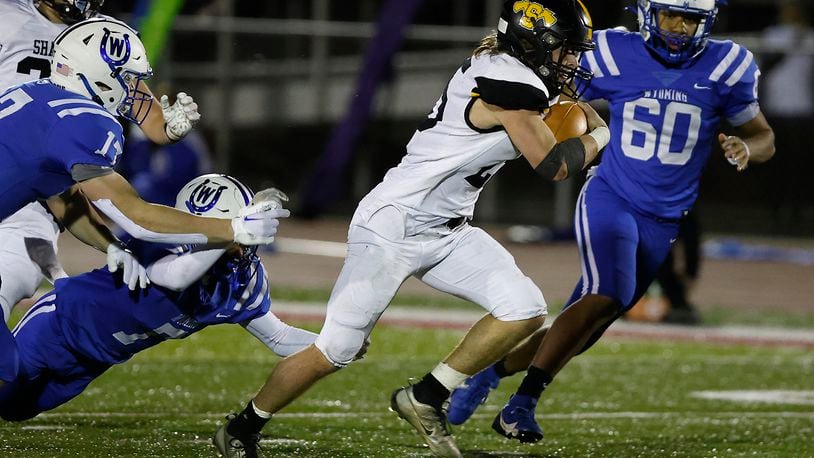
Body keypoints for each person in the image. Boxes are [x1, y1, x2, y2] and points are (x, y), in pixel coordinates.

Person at [212, 1, 609, 457]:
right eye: (566, 51)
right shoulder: (507, 81)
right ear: (534, 42)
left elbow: (570, 117)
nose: (573, 63)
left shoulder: (519, 73)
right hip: (392, 226)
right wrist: (602, 135)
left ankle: (427, 396)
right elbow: (555, 165)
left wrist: (588, 124)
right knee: (337, 350)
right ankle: (242, 427)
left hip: (448, 231)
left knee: (524, 307)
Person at [445, 0, 776, 443]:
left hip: (665, 217)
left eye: (690, 19)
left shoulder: (729, 64)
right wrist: (573, 124)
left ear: (707, 22)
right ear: (646, 13)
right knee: (607, 295)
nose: (678, 28)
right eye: (669, 16)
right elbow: (550, 81)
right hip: (611, 194)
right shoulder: (611, 49)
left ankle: (490, 373)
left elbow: (763, 135)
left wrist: (746, 149)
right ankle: (520, 405)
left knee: (589, 322)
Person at [0, 19, 285, 393]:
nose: (134, 90)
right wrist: (234, 229)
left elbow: (61, 196)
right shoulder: (87, 121)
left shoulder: (37, 95)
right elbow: (137, 217)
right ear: (99, 75)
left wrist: (111, 246)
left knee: (9, 371)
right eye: (127, 78)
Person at [0, 174, 319, 421]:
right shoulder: (164, 244)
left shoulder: (239, 280)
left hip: (95, 360)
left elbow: (279, 337)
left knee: (14, 410)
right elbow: (174, 277)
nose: (245, 248)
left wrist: (335, 343)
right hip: (59, 326)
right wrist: (228, 234)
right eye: (237, 231)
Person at [0, 0, 201, 336]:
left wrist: (167, 128)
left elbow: (139, 103)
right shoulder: (8, 15)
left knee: (7, 283)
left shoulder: (102, 33)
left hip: (41, 198)